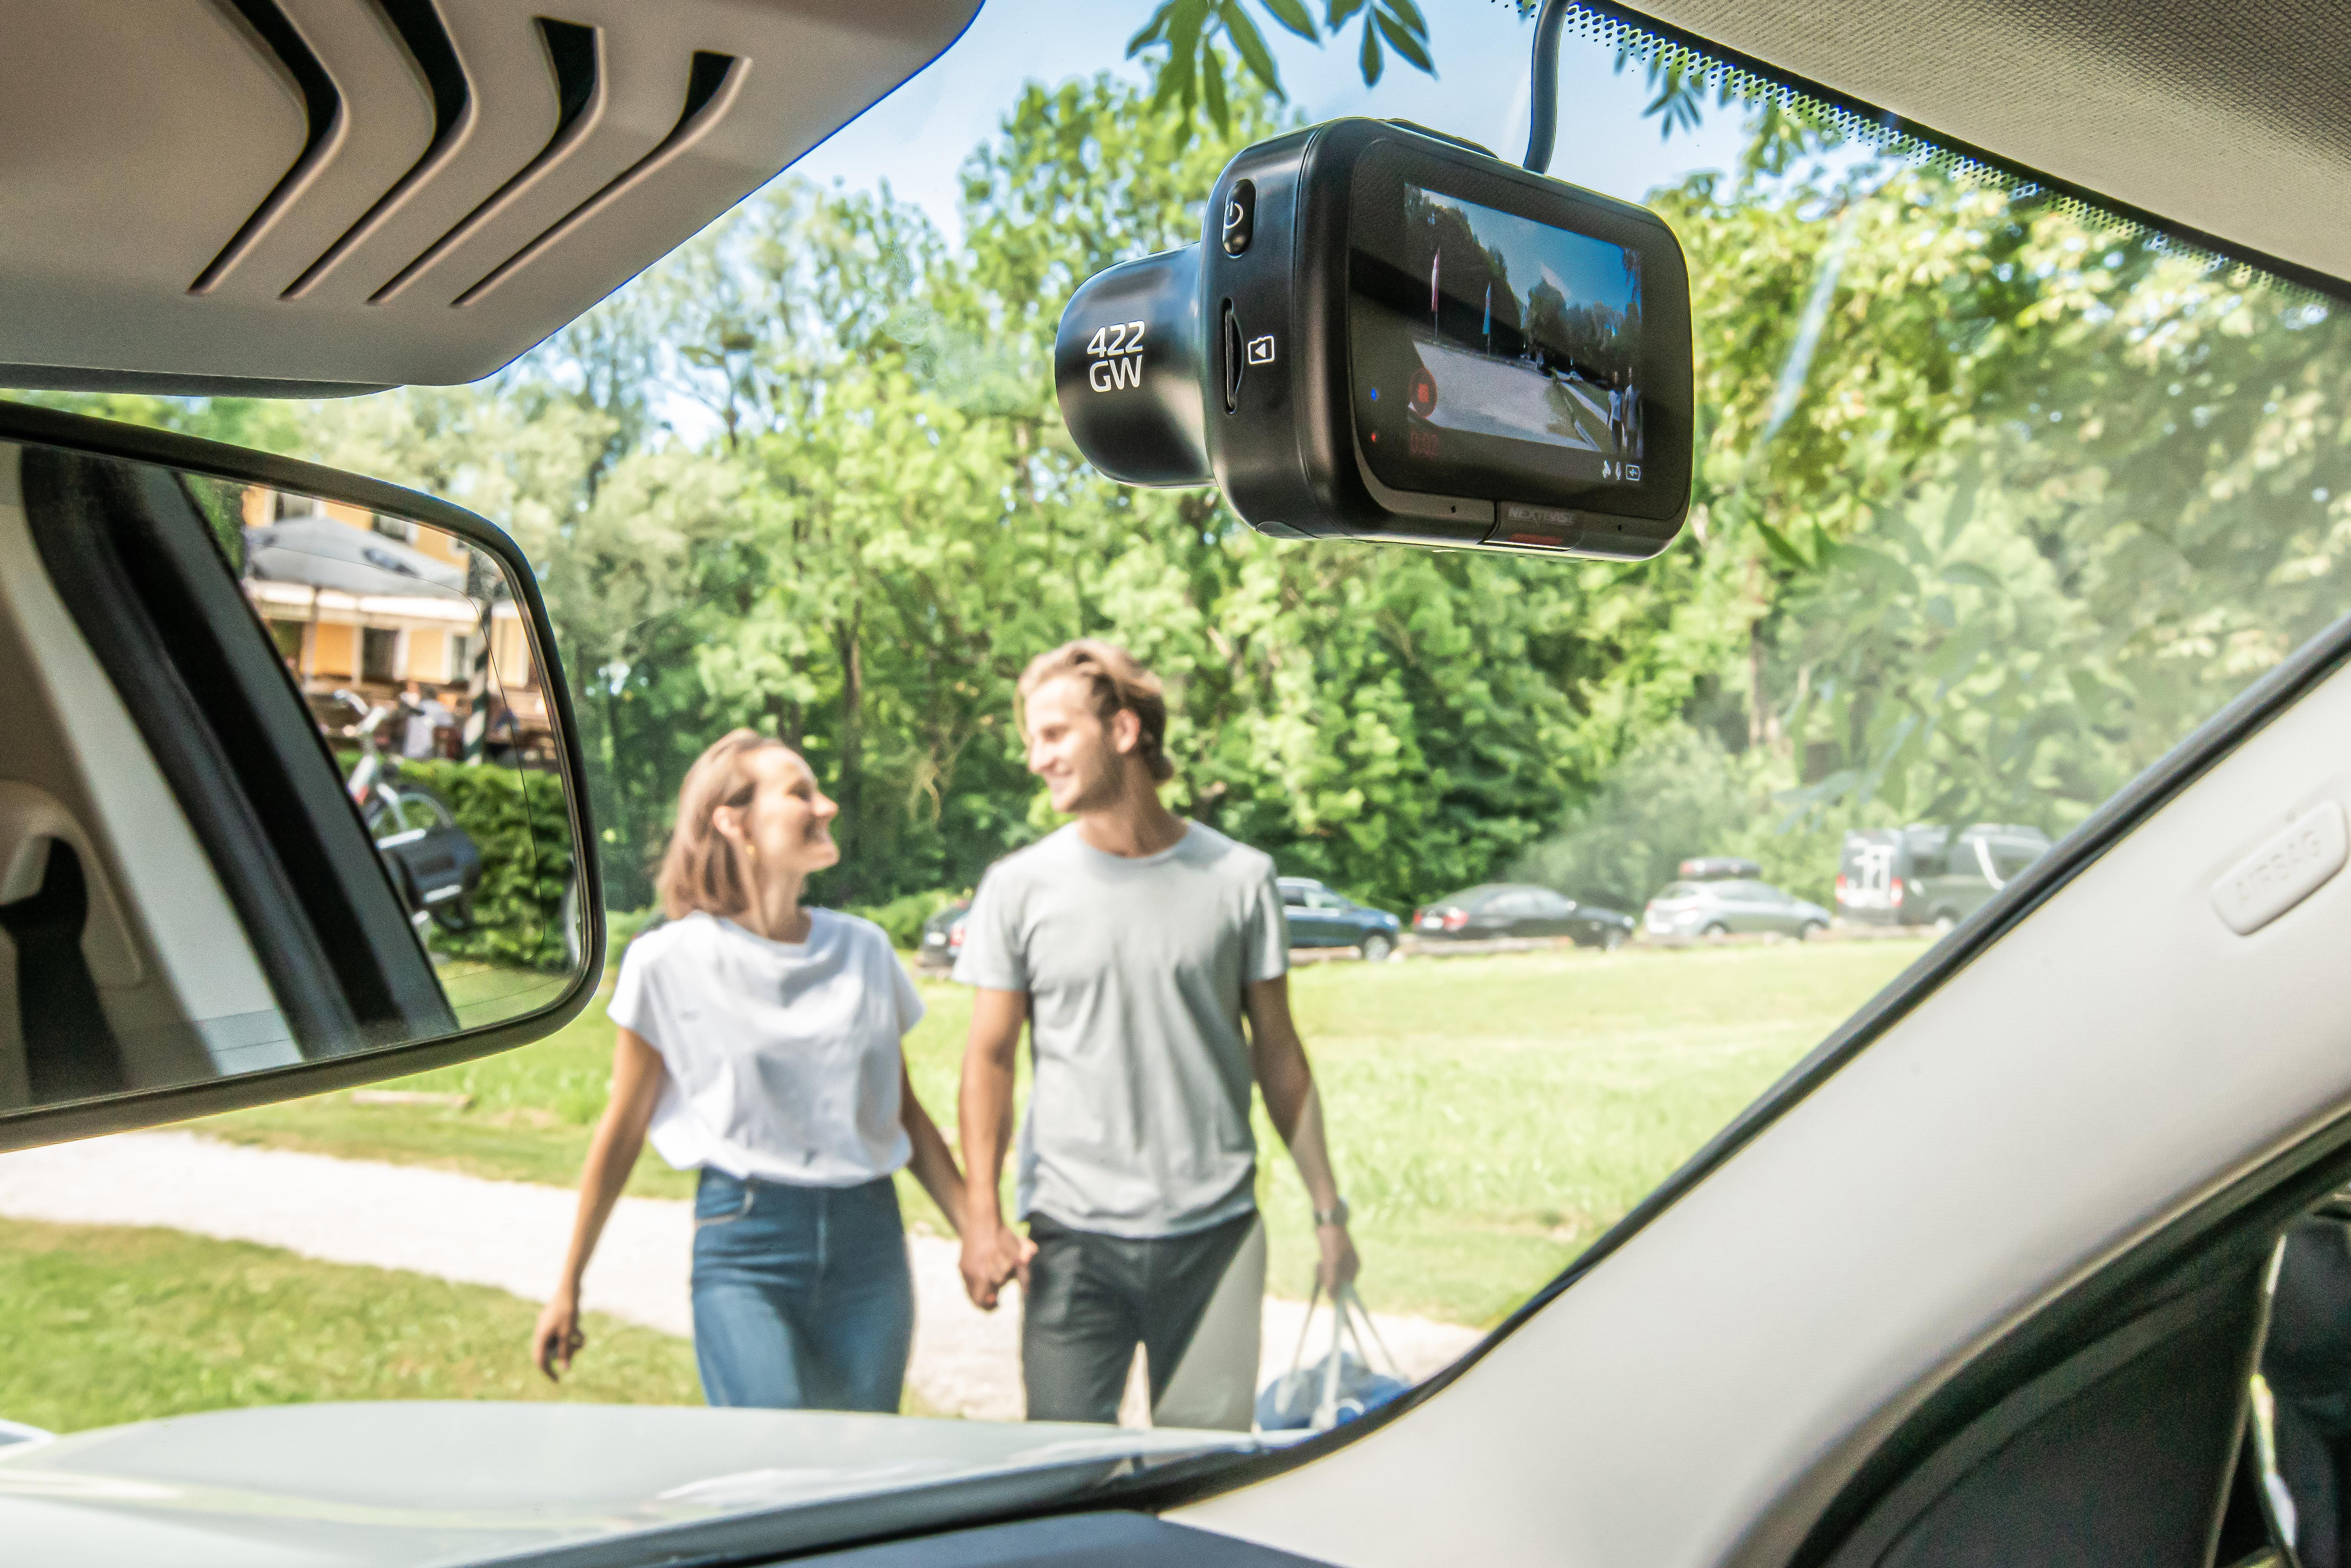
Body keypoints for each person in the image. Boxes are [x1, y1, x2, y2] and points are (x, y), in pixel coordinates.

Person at [954, 639, 1360, 1429]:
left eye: (1053, 734)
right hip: (1071, 1242)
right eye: (1031, 739)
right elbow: (988, 1057)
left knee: (1206, 1482)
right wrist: (980, 1215)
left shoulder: (1239, 878)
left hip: (1215, 1241)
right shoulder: (1018, 888)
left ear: (1125, 731)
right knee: (1063, 1486)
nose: (1035, 759)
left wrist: (1326, 1209)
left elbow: (1278, 1051)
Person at [531, 729, 967, 1411]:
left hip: (870, 1243)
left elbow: (903, 1112)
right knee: (775, 1462)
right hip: (747, 1244)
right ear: (733, 822)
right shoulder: (668, 962)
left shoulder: (865, 950)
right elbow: (621, 1130)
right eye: (799, 792)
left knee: (863, 1466)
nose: (825, 805)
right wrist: (568, 1284)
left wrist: (980, 1233)